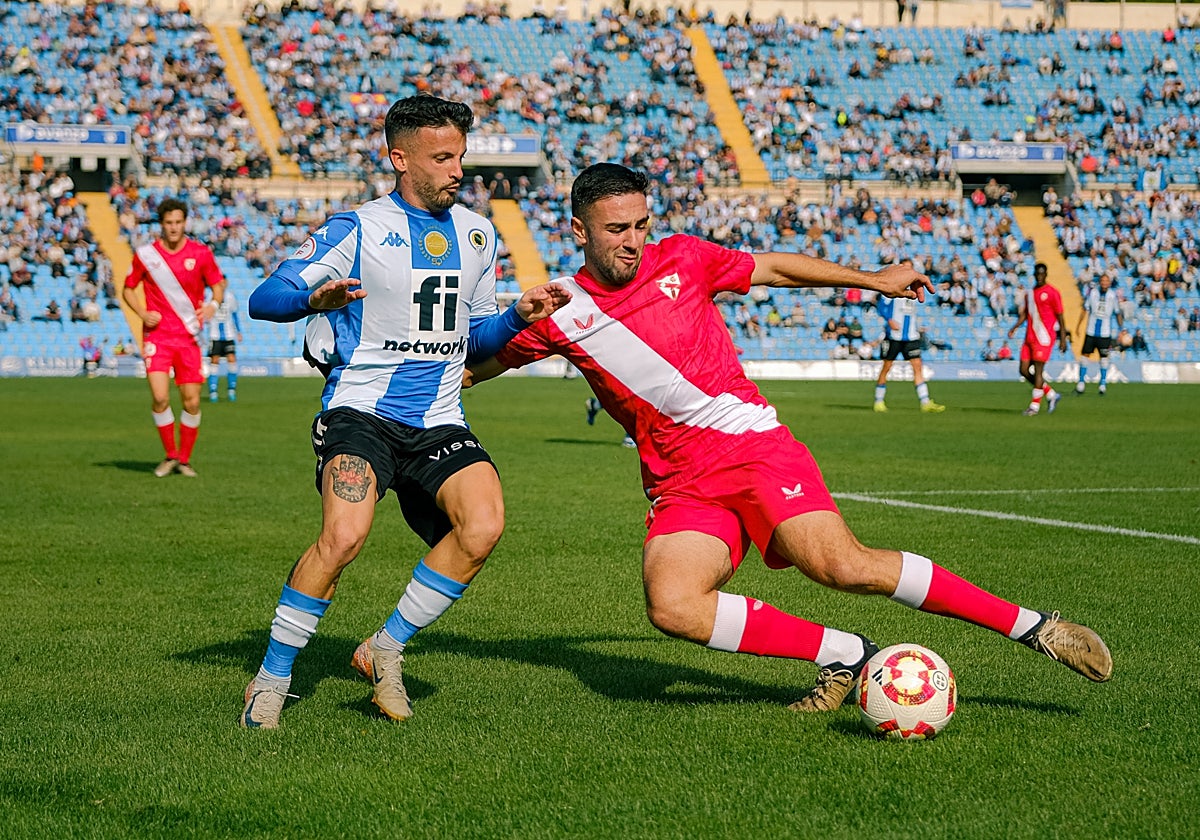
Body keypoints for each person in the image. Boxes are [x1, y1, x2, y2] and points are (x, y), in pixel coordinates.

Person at [468, 163, 1112, 714]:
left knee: (843, 566)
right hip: (682, 485)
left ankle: (1037, 628)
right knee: (673, 606)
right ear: (579, 231)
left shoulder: (684, 258)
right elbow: (475, 363)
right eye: (617, 230)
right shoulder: (558, 312)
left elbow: (772, 267)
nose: (634, 241)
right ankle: (847, 655)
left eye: (641, 225)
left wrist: (874, 281)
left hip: (753, 449)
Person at [241, 95, 570, 730]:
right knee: (343, 538)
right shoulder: (357, 229)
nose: (457, 171)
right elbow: (265, 297)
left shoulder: (478, 234)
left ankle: (383, 647)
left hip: (440, 418)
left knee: (483, 525)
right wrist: (316, 296)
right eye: (442, 158)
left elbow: (474, 336)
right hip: (361, 411)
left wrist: (516, 319)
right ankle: (272, 678)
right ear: (399, 158)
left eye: (460, 158)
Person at [123, 198, 225, 478]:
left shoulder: (201, 253)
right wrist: (142, 314)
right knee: (159, 397)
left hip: (189, 338)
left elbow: (218, 286)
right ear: (161, 224)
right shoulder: (146, 255)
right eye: (169, 223)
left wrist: (212, 306)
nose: (174, 227)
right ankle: (169, 455)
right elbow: (128, 289)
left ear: (185, 223)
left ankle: (184, 459)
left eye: (178, 222)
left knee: (192, 402)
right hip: (157, 337)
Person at [1007, 262, 1068, 416]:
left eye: (1042, 274)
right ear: (1034, 274)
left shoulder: (1053, 292)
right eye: (1037, 274)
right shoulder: (1030, 293)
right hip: (1029, 336)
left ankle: (1034, 407)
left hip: (1044, 337)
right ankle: (1051, 394)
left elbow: (1060, 316)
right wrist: (1015, 327)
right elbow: (1025, 314)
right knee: (1023, 370)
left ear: (1046, 274)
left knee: (1039, 371)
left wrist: (1063, 338)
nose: (1040, 276)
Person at [872, 288, 945, 413]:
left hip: (912, 337)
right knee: (886, 367)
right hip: (894, 336)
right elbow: (880, 306)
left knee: (917, 367)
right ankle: (878, 401)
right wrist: (889, 320)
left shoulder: (914, 292)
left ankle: (925, 402)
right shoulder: (893, 291)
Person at [1075, 274, 1123, 396]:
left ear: (1109, 283)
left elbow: (1117, 312)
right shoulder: (1092, 293)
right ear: (1100, 282)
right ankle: (1081, 383)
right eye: (1102, 281)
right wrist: (1078, 326)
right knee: (1085, 355)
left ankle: (1102, 384)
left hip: (1105, 333)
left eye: (1106, 281)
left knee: (1104, 357)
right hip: (1091, 330)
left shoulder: (1112, 296)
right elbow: (1085, 309)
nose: (1104, 283)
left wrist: (1121, 328)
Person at [207, 286, 243, 402]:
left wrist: (238, 331)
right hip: (214, 335)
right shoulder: (209, 296)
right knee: (214, 361)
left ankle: (231, 390)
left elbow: (234, 314)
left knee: (232, 359)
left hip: (229, 335)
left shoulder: (230, 296)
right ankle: (213, 391)